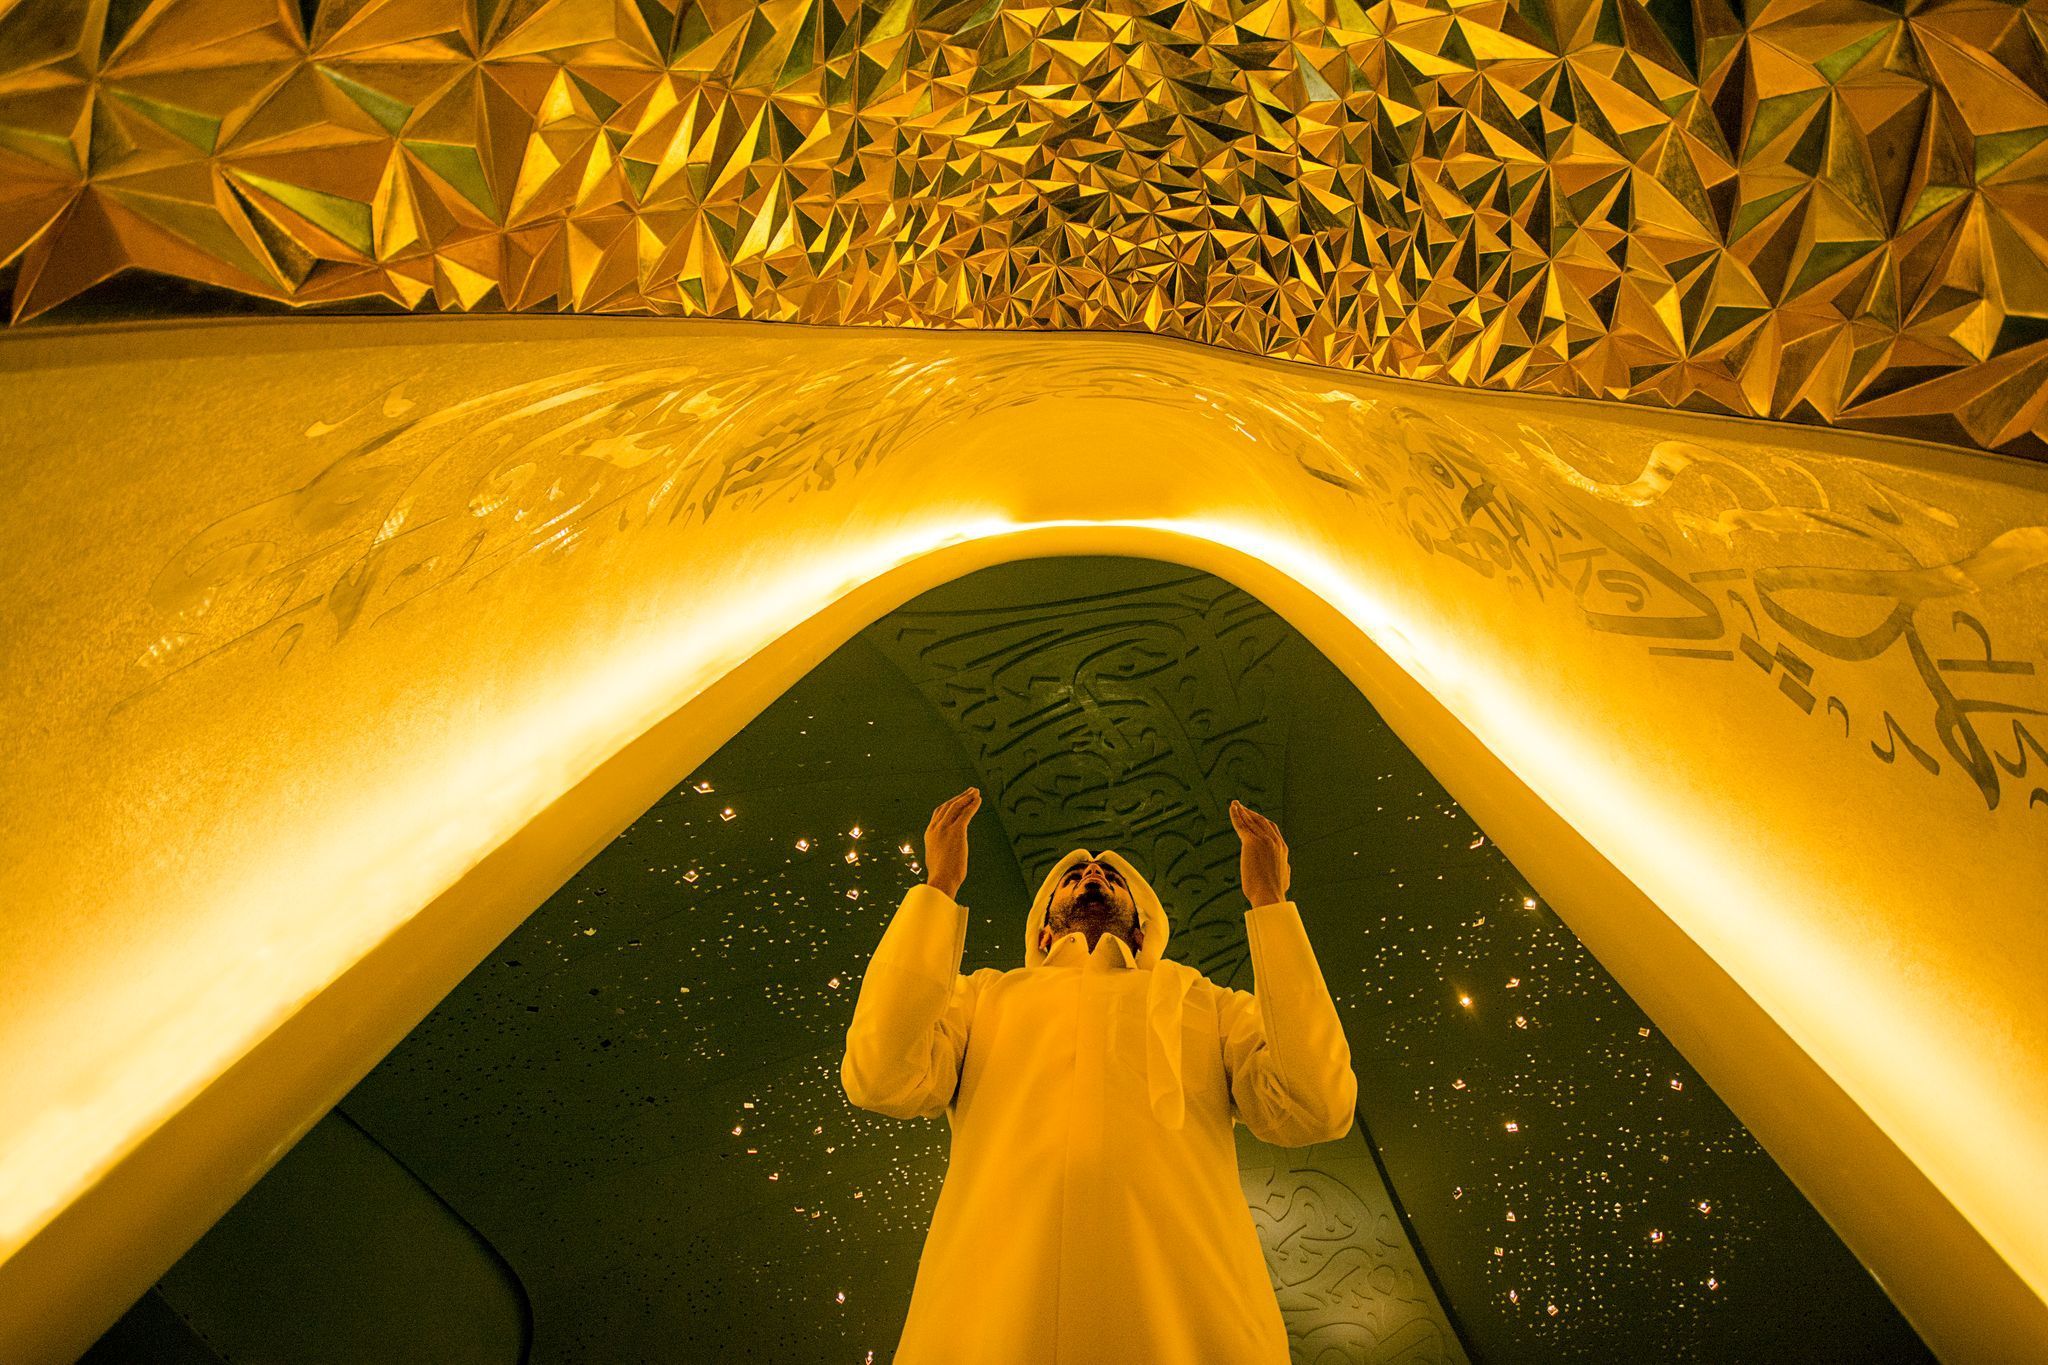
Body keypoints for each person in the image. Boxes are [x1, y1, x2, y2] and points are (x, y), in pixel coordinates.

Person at [841, 786, 1357, 1364]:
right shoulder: (983, 997)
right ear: (1040, 932)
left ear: (1143, 928)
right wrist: (937, 890)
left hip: (1187, 1314)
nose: (1092, 877)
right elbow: (880, 1075)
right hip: (993, 1306)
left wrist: (1269, 902)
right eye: (1074, 876)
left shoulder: (1203, 1001)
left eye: (1112, 877)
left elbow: (1316, 1104)